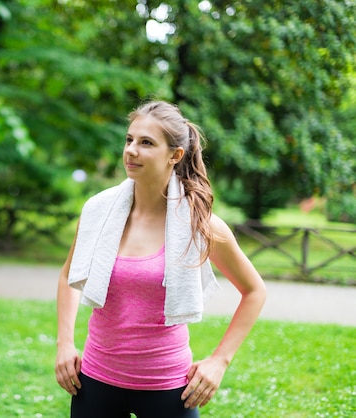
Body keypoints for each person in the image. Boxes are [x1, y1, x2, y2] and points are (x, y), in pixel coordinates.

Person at [55, 100, 267, 417]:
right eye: (129, 140)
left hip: (167, 387)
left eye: (146, 143)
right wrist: (64, 344)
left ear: (175, 155)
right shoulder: (98, 211)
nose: (131, 151)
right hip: (95, 380)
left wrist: (219, 361)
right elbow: (68, 276)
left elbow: (255, 291)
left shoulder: (201, 224)